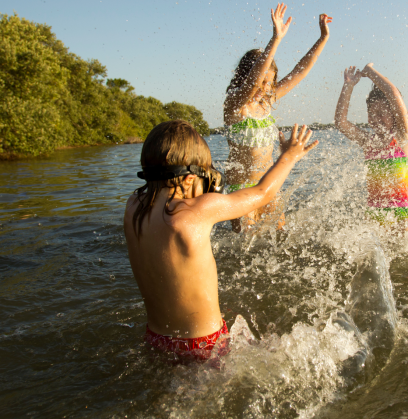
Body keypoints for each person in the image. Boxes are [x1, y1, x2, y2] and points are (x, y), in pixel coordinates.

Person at [123, 120, 318, 362]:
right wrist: (289, 155)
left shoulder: (133, 207)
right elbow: (262, 193)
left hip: (156, 338)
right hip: (204, 344)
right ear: (187, 179)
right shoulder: (194, 211)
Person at [224, 3, 332, 232]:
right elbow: (253, 82)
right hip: (240, 188)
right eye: (261, 82)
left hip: (268, 185)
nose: (264, 88)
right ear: (245, 77)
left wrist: (322, 39)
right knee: (246, 245)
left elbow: (300, 72)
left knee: (280, 237)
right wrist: (275, 40)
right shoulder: (234, 105)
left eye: (269, 82)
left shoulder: (266, 102)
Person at [334, 64, 408, 228]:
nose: (375, 118)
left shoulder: (402, 137)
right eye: (371, 113)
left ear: (394, 113)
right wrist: (348, 86)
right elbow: (341, 123)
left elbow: (393, 94)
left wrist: (370, 72)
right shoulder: (368, 142)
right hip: (374, 213)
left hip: (402, 214)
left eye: (381, 113)